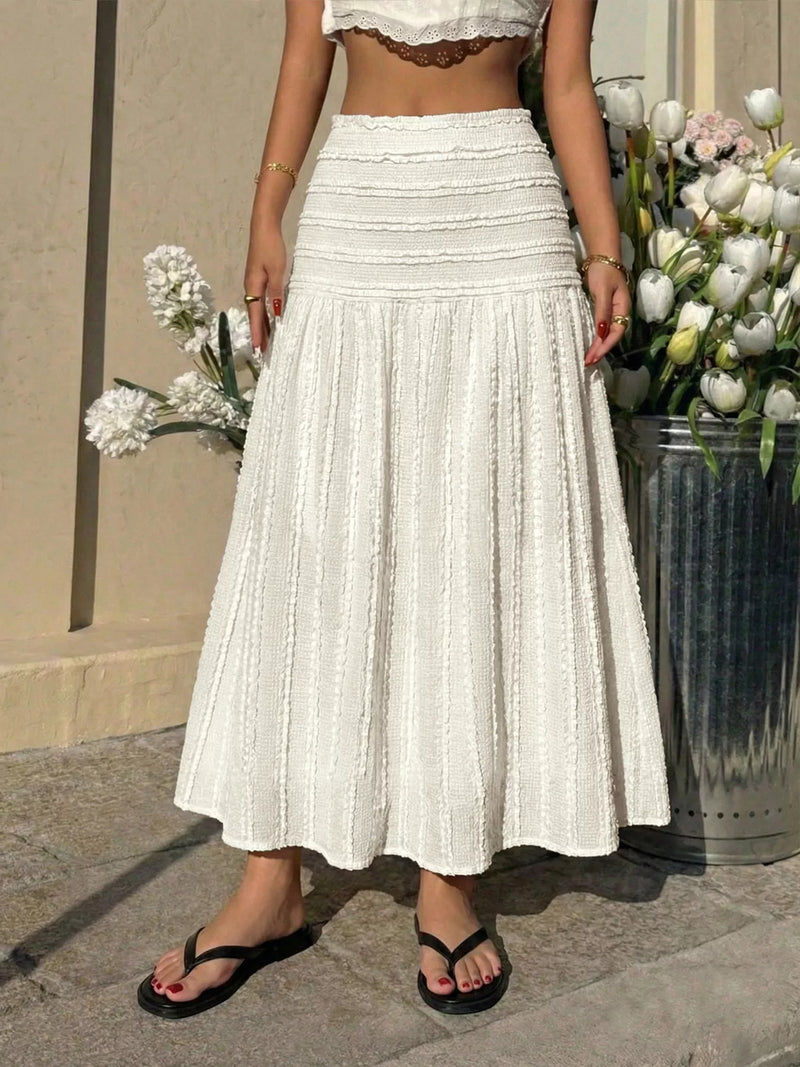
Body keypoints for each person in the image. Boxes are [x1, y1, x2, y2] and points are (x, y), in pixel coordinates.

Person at [138, 0, 671, 1020]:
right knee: (313, 538)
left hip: (503, 216)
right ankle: (269, 878)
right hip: (358, 208)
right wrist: (266, 210)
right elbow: (305, 56)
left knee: (476, 540)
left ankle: (448, 867)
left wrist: (602, 249)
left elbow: (562, 80)